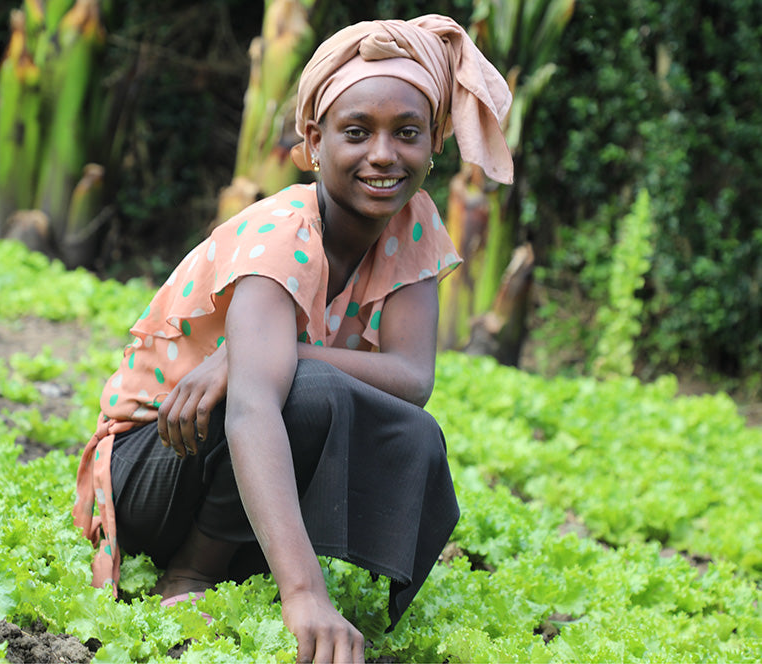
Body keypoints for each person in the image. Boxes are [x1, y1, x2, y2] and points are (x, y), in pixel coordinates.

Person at [73, 13, 513, 664]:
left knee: (411, 431)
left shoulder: (413, 224)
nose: (384, 156)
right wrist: (305, 594)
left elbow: (412, 381)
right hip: (151, 468)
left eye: (408, 134)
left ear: (435, 144)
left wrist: (270, 356)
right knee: (301, 392)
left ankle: (253, 555)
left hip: (241, 470)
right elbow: (254, 405)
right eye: (357, 132)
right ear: (313, 140)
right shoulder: (283, 234)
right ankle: (191, 575)